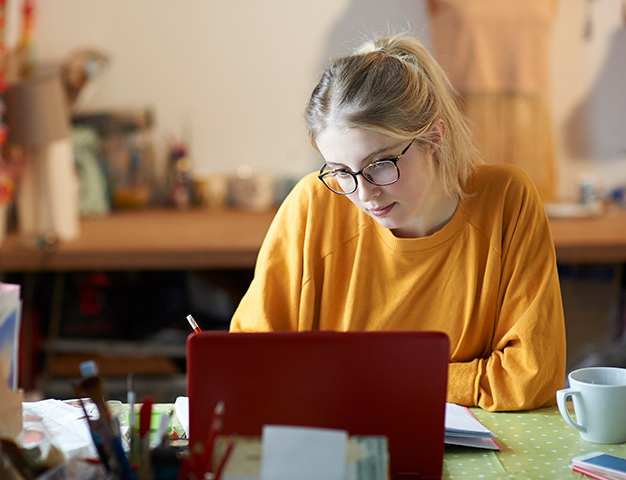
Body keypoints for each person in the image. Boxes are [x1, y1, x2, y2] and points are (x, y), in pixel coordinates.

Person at [229, 32, 566, 412]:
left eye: (380, 164)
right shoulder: (313, 204)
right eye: (341, 170)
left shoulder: (507, 200)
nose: (364, 194)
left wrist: (363, 376)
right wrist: (456, 378)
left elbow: (531, 377)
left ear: (433, 138)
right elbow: (250, 359)